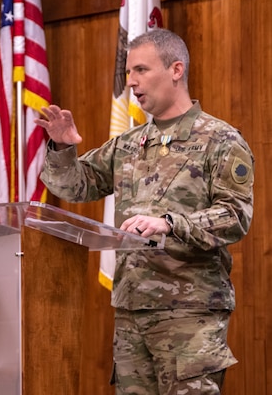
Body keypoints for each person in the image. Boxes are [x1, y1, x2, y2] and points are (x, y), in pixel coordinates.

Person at [35, 28, 254, 395]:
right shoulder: (130, 143)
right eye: (128, 74)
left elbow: (235, 216)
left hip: (189, 313)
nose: (131, 82)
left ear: (175, 70)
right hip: (132, 308)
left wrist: (170, 224)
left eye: (140, 70)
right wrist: (61, 146)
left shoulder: (220, 139)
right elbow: (73, 186)